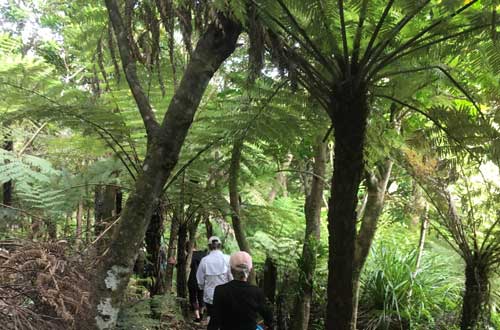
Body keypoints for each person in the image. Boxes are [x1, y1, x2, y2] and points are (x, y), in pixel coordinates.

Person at [209, 251, 273, 330]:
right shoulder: (257, 292)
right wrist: (268, 324)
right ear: (249, 270)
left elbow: (214, 320)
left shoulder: (220, 290)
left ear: (231, 270)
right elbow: (268, 316)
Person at [196, 236, 232, 327]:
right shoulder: (228, 258)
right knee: (225, 317)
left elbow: (199, 278)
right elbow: (231, 277)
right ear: (220, 245)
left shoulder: (205, 260)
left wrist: (202, 287)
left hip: (210, 295)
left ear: (209, 246)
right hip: (226, 295)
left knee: (211, 317)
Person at [188, 242, 207, 323]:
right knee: (201, 297)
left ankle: (197, 317)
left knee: (193, 298)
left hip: (192, 280)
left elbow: (182, 265)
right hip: (202, 279)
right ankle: (201, 313)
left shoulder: (189, 256)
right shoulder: (203, 254)